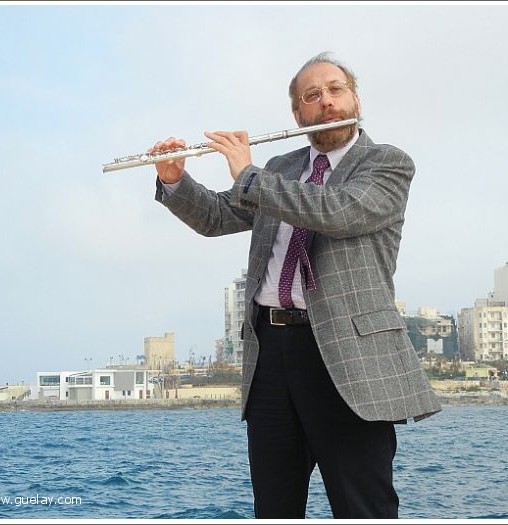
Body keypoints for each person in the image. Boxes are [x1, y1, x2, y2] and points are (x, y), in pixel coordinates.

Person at [150, 52, 441, 519]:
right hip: (270, 354)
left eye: (335, 90)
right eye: (312, 96)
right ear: (298, 114)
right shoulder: (281, 167)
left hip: (348, 357)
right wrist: (177, 180)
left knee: (362, 505)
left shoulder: (387, 164)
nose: (325, 101)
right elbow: (216, 216)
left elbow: (337, 211)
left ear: (355, 99)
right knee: (275, 505)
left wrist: (249, 174)